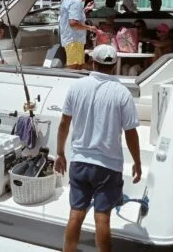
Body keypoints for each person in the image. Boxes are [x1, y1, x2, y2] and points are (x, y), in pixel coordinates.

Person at [55, 44, 142, 252]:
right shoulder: (122, 93)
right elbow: (131, 133)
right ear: (114, 65)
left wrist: (60, 153)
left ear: (93, 62)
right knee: (102, 218)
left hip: (79, 162)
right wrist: (137, 162)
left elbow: (64, 123)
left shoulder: (77, 86)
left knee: (76, 214)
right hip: (108, 166)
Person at [59, 0, 98, 69]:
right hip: (74, 40)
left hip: (74, 40)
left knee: (79, 66)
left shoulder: (70, 0)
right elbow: (73, 23)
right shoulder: (76, 2)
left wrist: (84, 10)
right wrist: (90, 28)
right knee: (74, 67)